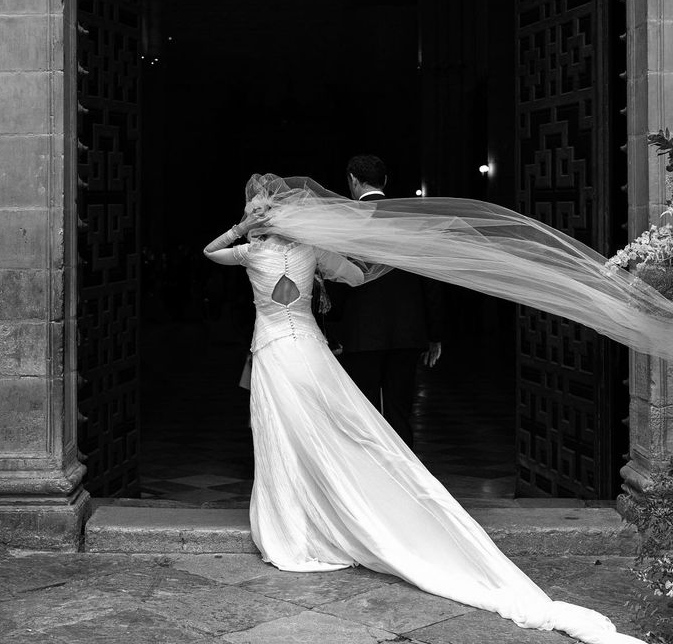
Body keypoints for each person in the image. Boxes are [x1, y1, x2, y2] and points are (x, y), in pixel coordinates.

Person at [204, 175, 645, 644]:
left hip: (273, 350)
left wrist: (240, 227)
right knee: (339, 428)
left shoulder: (251, 253)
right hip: (308, 350)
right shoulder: (314, 251)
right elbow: (359, 274)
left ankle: (295, 527)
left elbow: (210, 252)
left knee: (282, 434)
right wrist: (404, 250)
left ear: (260, 215)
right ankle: (338, 509)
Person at [330, 154, 443, 448]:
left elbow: (340, 279)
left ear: (352, 180)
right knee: (400, 411)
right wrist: (434, 335)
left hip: (362, 331)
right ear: (385, 181)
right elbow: (429, 280)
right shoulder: (410, 221)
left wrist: (334, 328)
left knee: (364, 412)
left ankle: (371, 480)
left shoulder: (346, 222)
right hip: (407, 331)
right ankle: (405, 480)